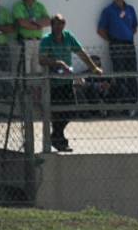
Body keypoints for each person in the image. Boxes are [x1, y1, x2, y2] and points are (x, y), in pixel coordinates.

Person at [40, 14, 102, 152]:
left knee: (70, 109)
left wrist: (94, 68)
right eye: (56, 24)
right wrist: (58, 63)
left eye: (61, 24)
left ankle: (56, 137)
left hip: (67, 81)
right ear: (51, 25)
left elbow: (81, 53)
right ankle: (59, 140)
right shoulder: (46, 40)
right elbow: (41, 59)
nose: (59, 26)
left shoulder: (68, 36)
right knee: (57, 112)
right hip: (54, 82)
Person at [97, 0, 138, 113]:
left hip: (129, 44)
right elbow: (100, 30)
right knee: (119, 75)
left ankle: (132, 103)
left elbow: (134, 27)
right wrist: (114, 40)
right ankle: (123, 104)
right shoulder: (108, 10)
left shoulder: (130, 9)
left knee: (132, 74)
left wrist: (126, 36)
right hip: (116, 45)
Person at [12, 0, 51, 102]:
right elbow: (22, 23)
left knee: (37, 72)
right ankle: (24, 102)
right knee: (25, 73)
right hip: (24, 42)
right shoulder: (17, 6)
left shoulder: (39, 5)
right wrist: (37, 24)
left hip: (38, 43)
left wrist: (32, 20)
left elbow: (48, 21)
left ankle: (35, 101)